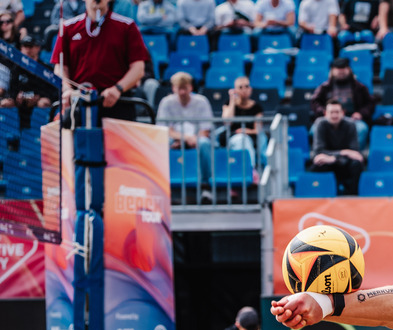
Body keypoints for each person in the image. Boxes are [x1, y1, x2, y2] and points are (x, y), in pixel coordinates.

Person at [50, 0, 150, 123]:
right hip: (78, 101)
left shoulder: (127, 26)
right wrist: (67, 89)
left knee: (117, 143)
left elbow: (138, 68)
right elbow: (60, 67)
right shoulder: (68, 27)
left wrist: (118, 89)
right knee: (77, 141)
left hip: (117, 101)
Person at [156, 71, 214, 202]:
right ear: (173, 88)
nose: (182, 92)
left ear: (191, 87)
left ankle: (205, 186)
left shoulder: (201, 102)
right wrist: (185, 139)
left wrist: (190, 139)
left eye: (185, 88)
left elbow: (205, 130)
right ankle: (164, 185)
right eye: (179, 88)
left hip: (196, 137)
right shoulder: (166, 102)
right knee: (162, 143)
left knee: (204, 144)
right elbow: (166, 130)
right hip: (175, 138)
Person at [309, 56, 372, 150]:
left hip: (352, 119)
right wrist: (325, 113)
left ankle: (354, 155)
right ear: (332, 71)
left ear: (349, 70)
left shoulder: (359, 87)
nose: (341, 71)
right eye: (338, 69)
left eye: (344, 69)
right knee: (314, 130)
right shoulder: (324, 87)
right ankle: (325, 154)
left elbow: (370, 103)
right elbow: (315, 102)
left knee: (362, 129)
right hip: (330, 118)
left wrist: (360, 113)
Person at [310, 98, 364, 194]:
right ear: (325, 113)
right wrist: (343, 153)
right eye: (331, 112)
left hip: (344, 164)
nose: (334, 115)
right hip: (328, 163)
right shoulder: (320, 124)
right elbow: (318, 152)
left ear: (343, 113)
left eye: (337, 112)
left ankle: (352, 197)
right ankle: (321, 197)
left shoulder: (350, 125)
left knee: (357, 164)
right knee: (318, 164)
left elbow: (354, 152)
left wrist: (334, 158)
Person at [222, 75, 262, 171]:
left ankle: (249, 169)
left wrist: (245, 131)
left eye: (246, 86)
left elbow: (258, 130)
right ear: (235, 90)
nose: (244, 90)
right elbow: (227, 122)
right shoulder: (228, 103)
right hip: (231, 138)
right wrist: (232, 100)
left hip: (249, 138)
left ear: (250, 89)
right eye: (240, 87)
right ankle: (249, 170)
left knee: (244, 140)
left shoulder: (257, 107)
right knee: (240, 140)